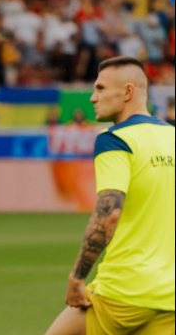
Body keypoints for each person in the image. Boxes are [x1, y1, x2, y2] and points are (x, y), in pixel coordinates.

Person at [46, 56, 175, 335]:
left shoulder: (114, 138)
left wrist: (78, 276)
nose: (92, 98)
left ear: (128, 92)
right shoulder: (172, 137)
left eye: (101, 88)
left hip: (123, 291)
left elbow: (109, 213)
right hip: (170, 297)